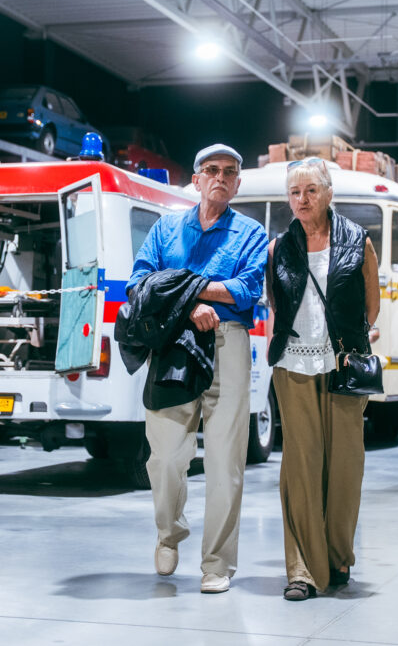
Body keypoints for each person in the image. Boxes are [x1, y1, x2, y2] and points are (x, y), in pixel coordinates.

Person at [127, 143, 268, 593]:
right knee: (165, 457)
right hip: (174, 344)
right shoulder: (166, 228)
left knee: (226, 462)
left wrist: (185, 289)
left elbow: (246, 289)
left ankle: (217, 564)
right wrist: (190, 306)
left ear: (237, 184)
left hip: (228, 342)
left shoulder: (251, 233)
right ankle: (168, 534)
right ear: (196, 179)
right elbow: (139, 283)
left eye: (229, 171)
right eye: (212, 170)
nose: (220, 177)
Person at [266, 157, 379, 601]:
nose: (302, 200)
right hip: (293, 365)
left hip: (343, 364)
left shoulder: (358, 241)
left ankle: (337, 558)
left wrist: (347, 338)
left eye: (311, 190)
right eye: (294, 193)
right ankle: (302, 570)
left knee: (346, 466)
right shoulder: (278, 248)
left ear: (329, 193)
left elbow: (371, 306)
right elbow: (276, 304)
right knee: (300, 466)